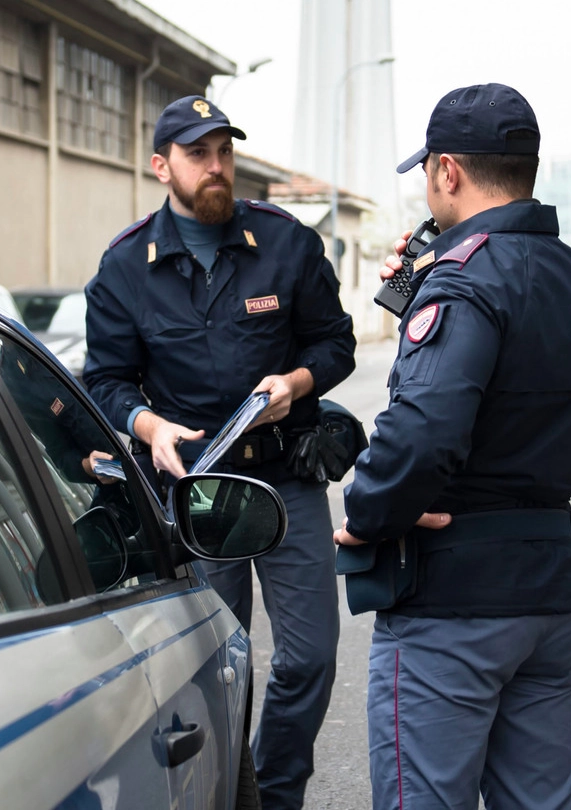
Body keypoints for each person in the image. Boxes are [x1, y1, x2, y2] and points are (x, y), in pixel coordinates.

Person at [334, 84, 571, 810]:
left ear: (447, 172)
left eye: (428, 173)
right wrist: (416, 295)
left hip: (454, 605)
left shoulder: (463, 284)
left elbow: (422, 434)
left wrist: (369, 513)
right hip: (552, 592)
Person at [83, 94, 356, 809]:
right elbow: (105, 380)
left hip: (284, 481)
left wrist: (297, 384)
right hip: (197, 496)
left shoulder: (288, 243)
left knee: (310, 657)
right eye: (198, 155)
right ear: (161, 166)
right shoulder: (124, 268)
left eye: (224, 153)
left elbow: (337, 344)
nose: (216, 167)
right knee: (214, 667)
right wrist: (148, 427)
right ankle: (227, 790)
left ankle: (273, 789)